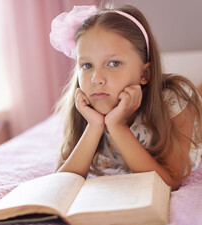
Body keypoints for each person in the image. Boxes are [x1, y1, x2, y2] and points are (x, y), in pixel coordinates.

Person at [50, 4, 202, 190]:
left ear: (144, 74)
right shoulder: (83, 108)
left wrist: (117, 125)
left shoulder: (174, 101)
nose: (96, 79)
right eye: (87, 65)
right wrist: (94, 126)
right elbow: (61, 184)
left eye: (114, 63)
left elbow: (169, 183)